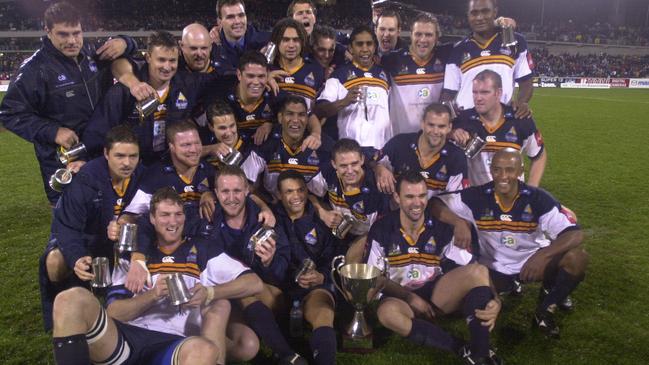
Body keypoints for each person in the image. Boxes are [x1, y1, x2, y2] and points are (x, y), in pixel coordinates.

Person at [50, 187, 263, 365]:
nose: (173, 222)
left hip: (175, 344)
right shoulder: (134, 258)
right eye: (165, 215)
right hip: (127, 339)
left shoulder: (203, 251)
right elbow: (114, 313)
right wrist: (152, 295)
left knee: (204, 351)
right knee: (69, 299)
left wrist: (209, 292)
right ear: (152, 218)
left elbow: (254, 283)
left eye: (178, 214)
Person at [439, 149, 588, 338]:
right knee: (455, 309)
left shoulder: (538, 198)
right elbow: (437, 203)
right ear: (491, 170)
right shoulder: (477, 196)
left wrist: (544, 255)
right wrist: (458, 222)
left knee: (577, 258)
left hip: (532, 263)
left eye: (510, 170)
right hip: (494, 268)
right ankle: (482, 343)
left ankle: (544, 310)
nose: (503, 176)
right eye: (497, 170)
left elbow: (575, 234)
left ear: (520, 171)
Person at [0, 1, 138, 205]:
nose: (72, 40)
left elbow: (125, 49)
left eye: (76, 33)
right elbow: (9, 113)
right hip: (63, 161)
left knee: (110, 215)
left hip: (101, 153)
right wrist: (52, 131)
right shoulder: (34, 70)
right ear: (48, 31)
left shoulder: (92, 53)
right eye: (63, 34)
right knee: (72, 221)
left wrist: (125, 42)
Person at [366, 171, 503, 365]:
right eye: (410, 196)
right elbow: (375, 277)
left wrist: (496, 300)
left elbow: (476, 269)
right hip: (399, 297)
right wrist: (409, 297)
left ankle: (481, 354)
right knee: (387, 314)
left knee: (477, 272)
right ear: (397, 197)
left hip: (436, 295)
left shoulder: (441, 227)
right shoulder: (381, 229)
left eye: (422, 196)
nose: (417, 203)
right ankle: (460, 348)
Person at [40, 125, 143, 331]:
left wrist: (129, 220)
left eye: (133, 156)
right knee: (55, 261)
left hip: (123, 243)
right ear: (106, 153)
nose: (127, 163)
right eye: (120, 155)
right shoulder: (86, 178)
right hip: (87, 238)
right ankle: (64, 304)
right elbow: (67, 226)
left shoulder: (145, 176)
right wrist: (77, 257)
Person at [206, 165, 308, 365]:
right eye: (225, 191)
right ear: (216, 193)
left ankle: (284, 353)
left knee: (247, 291)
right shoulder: (206, 218)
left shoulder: (267, 220)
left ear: (247, 191)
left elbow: (281, 271)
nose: (232, 197)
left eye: (237, 191)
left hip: (262, 291)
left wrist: (269, 262)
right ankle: (286, 353)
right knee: (242, 300)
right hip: (220, 295)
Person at [83, 31, 229, 165]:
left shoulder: (188, 84)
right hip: (132, 167)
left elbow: (223, 77)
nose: (167, 67)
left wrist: (220, 43)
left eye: (172, 61)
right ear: (148, 57)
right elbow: (96, 136)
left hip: (169, 165)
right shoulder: (124, 91)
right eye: (161, 60)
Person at [273, 170, 338, 365]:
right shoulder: (269, 218)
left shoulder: (321, 220)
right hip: (280, 289)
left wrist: (321, 276)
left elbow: (332, 258)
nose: (296, 196)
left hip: (313, 287)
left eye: (300, 190)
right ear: (279, 195)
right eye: (289, 191)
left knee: (324, 312)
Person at [451, 70, 546, 187]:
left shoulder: (520, 119)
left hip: (511, 200)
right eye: (475, 92)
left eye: (485, 92)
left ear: (498, 93)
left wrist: (532, 189)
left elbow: (539, 155)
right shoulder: (462, 120)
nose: (478, 98)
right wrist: (451, 133)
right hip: (476, 200)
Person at [442, 0, 533, 117]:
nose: (479, 17)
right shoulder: (458, 49)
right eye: (474, 13)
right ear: (468, 16)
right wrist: (451, 119)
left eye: (485, 12)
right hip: (468, 125)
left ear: (495, 12)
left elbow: (526, 82)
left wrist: (521, 102)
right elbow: (448, 93)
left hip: (502, 121)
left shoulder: (514, 41)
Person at [315, 25, 392, 149]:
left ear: (375, 47)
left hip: (381, 152)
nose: (365, 49)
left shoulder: (385, 75)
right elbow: (320, 110)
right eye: (359, 44)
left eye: (369, 44)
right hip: (350, 154)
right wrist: (344, 102)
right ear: (351, 48)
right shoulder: (339, 75)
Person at [242, 95, 333, 199]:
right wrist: (264, 206)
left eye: (301, 115)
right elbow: (244, 185)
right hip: (275, 206)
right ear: (280, 118)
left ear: (307, 119)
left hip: (313, 207)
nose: (295, 120)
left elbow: (337, 189)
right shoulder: (266, 141)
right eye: (290, 114)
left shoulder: (324, 146)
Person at [314, 138, 391, 261]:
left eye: (354, 164)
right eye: (343, 166)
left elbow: (379, 232)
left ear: (362, 159)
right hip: (337, 232)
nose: (350, 171)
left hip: (368, 235)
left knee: (351, 264)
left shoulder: (375, 187)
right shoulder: (328, 172)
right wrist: (323, 213)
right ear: (334, 164)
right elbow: (307, 193)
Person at [374, 103, 468, 197]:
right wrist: (379, 168)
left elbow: (457, 199)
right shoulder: (399, 143)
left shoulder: (457, 156)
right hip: (397, 210)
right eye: (431, 125)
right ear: (422, 124)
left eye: (441, 126)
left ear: (449, 128)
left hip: (436, 211)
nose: (435, 131)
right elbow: (370, 162)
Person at [381, 13, 452, 135]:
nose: (423, 40)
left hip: (434, 139)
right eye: (418, 34)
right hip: (400, 139)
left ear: (436, 38)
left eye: (429, 35)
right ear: (411, 35)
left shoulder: (446, 56)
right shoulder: (391, 59)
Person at [269, 18, 325, 113]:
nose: (291, 45)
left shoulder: (316, 70)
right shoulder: (267, 70)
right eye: (286, 40)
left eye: (296, 40)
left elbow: (321, 110)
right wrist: (263, 79)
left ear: (302, 42)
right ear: (277, 42)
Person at [213, 0, 271, 69]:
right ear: (219, 22)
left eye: (241, 15)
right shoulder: (211, 47)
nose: (237, 21)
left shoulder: (267, 42)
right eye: (230, 17)